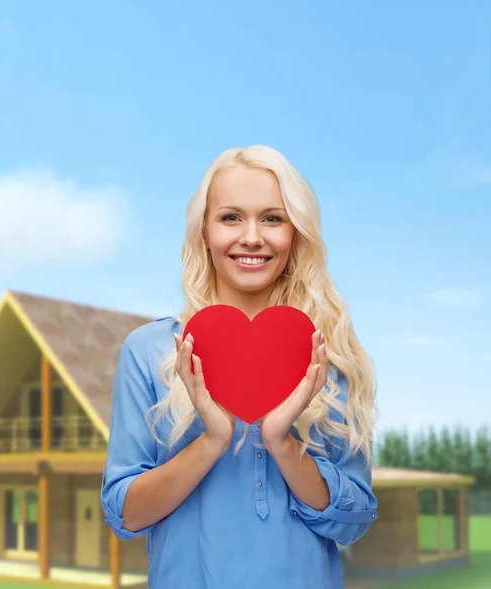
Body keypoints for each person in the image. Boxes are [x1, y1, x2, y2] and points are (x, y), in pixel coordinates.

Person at [101, 145, 379, 589]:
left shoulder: (329, 355)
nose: (252, 237)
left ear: (296, 233)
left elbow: (354, 521)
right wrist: (214, 439)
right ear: (204, 232)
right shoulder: (148, 351)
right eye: (231, 217)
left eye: (273, 218)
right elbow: (125, 515)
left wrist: (280, 442)